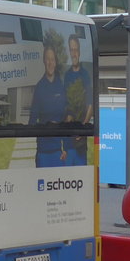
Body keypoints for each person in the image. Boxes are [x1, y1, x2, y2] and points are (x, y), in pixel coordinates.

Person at [28, 39, 68, 166]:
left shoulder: (61, 86)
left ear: (55, 62)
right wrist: (45, 126)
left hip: (59, 152)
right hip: (43, 152)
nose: (50, 63)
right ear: (44, 61)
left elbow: (66, 118)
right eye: (48, 59)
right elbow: (32, 121)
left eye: (53, 59)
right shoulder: (39, 87)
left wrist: (66, 147)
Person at [63, 33, 93, 164]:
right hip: (68, 141)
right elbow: (65, 103)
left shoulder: (85, 75)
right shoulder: (67, 76)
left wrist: (82, 128)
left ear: (79, 52)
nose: (73, 53)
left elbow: (90, 104)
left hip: (80, 143)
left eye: (76, 50)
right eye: (71, 50)